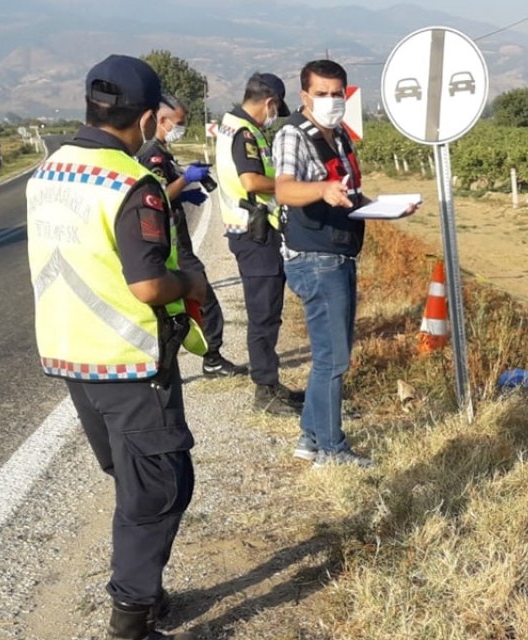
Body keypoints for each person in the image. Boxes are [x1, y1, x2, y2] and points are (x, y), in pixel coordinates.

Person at [26, 54, 207, 640]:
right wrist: (192, 283)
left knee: (133, 482)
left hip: (69, 355)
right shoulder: (133, 183)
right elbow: (149, 283)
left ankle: (142, 590)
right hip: (127, 360)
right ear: (150, 116)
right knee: (158, 491)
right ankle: (131, 618)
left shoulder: (50, 170)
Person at [273, 59, 414, 467]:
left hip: (337, 253)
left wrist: (386, 209)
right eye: (322, 94)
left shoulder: (339, 138)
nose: (331, 101)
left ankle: (310, 438)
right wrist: (321, 189)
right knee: (335, 360)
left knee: (328, 356)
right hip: (316, 257)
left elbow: (349, 195)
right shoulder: (292, 135)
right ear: (304, 96)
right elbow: (284, 190)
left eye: (338, 94)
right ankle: (332, 450)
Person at [138, 94, 247, 379]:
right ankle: (211, 356)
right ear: (162, 121)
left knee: (178, 307)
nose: (182, 128)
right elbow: (156, 195)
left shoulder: (162, 151)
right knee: (203, 297)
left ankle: (164, 366)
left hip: (175, 239)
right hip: (172, 244)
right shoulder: (153, 154)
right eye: (180, 123)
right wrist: (186, 181)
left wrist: (186, 190)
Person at [214, 72, 303, 416]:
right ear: (270, 102)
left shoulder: (231, 125)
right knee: (264, 314)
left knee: (265, 312)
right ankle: (265, 391)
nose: (273, 116)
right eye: (275, 110)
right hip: (255, 235)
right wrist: (286, 183)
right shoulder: (244, 133)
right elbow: (250, 179)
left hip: (251, 233)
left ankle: (270, 383)